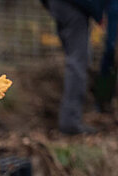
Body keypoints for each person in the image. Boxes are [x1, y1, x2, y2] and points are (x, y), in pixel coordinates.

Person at [44, 0, 103, 134]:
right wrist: (99, 15)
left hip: (58, 5)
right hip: (76, 6)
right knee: (78, 62)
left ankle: (69, 118)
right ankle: (70, 122)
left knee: (75, 58)